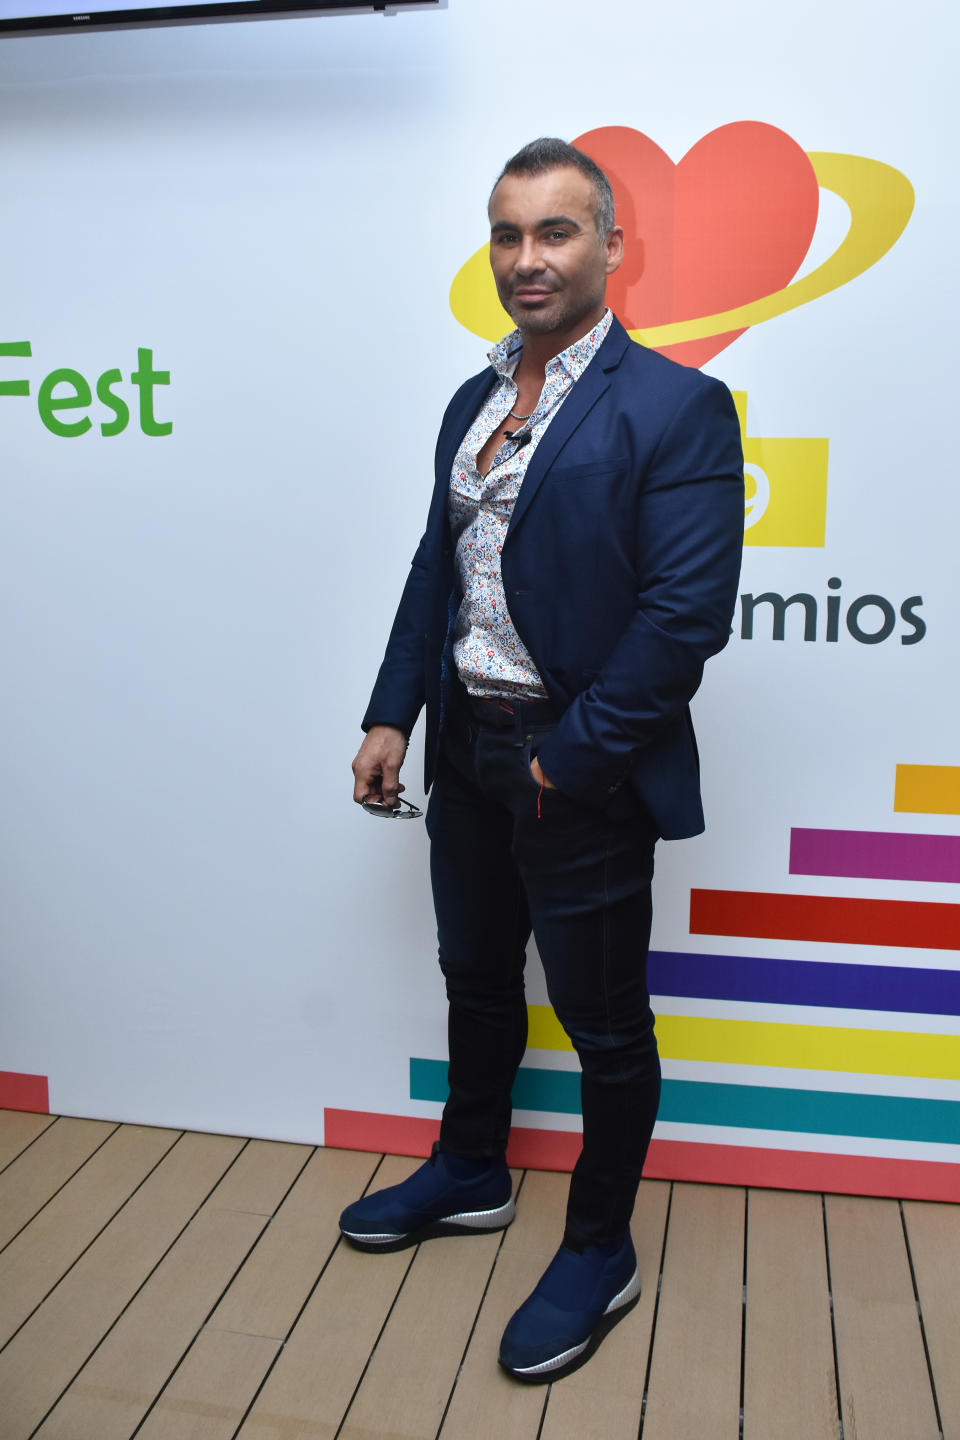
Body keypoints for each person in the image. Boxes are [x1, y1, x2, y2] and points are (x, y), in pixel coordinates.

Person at [341, 137, 744, 1382]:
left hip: (577, 766)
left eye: (555, 232)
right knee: (475, 980)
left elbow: (684, 617)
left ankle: (598, 1248)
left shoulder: (675, 406)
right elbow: (437, 570)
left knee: (605, 1024)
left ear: (612, 248)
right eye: (508, 233)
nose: (528, 258)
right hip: (460, 745)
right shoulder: (471, 401)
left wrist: (568, 763)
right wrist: (391, 713)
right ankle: (471, 1170)